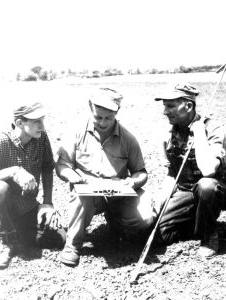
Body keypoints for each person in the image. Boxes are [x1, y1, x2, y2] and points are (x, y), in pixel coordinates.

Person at [56, 87, 155, 267]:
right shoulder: (76, 132)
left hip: (119, 194)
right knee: (82, 197)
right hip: (89, 195)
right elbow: (62, 165)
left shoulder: (128, 139)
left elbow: (141, 172)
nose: (103, 123)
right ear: (90, 107)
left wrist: (132, 182)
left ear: (117, 112)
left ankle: (116, 223)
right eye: (98, 117)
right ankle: (73, 244)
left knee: (145, 218)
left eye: (109, 118)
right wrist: (72, 176)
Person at [0, 101, 66, 269]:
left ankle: (14, 229)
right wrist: (13, 171)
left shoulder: (40, 137)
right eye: (37, 121)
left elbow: (47, 167)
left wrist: (47, 204)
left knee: (59, 238)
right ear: (19, 123)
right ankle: (8, 244)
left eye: (42, 121)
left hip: (24, 203)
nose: (42, 126)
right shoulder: (1, 141)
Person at [154, 83, 226, 258]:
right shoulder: (167, 134)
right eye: (164, 106)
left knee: (206, 186)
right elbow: (172, 174)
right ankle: (200, 222)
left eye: (170, 106)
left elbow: (208, 170)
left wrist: (199, 133)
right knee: (158, 234)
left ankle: (209, 235)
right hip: (186, 191)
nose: (165, 112)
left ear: (189, 105)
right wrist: (160, 201)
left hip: (218, 189)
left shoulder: (212, 128)